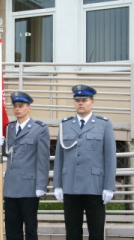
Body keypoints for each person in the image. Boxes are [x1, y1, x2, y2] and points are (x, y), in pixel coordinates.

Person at [53, 84, 116, 240]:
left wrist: (109, 186)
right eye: (77, 100)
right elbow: (60, 156)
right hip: (71, 186)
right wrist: (58, 184)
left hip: (94, 186)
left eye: (84, 100)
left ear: (92, 102)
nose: (80, 103)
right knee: (72, 232)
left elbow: (110, 158)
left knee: (96, 232)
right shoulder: (65, 125)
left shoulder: (104, 125)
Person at [0, 91, 50, 240]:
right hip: (11, 187)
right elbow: (7, 153)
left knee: (30, 228)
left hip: (29, 188)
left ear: (28, 107)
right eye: (15, 106)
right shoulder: (9, 128)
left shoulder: (39, 129)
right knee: (12, 229)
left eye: (21, 106)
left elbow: (43, 160)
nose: (17, 109)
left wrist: (41, 185)